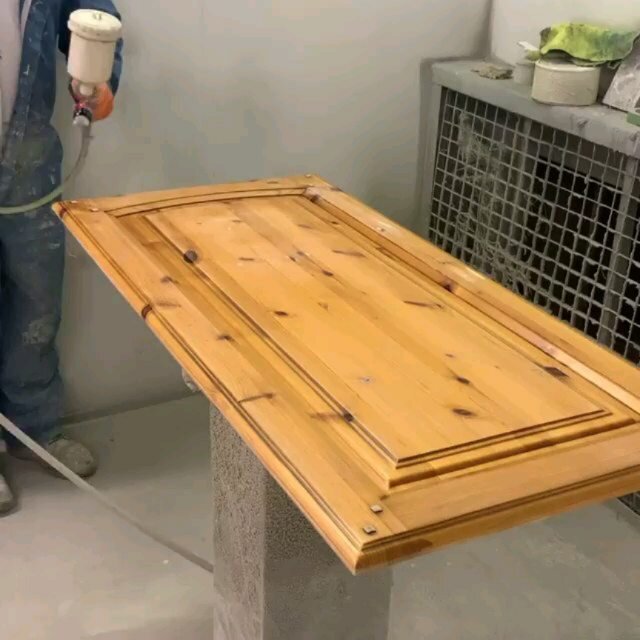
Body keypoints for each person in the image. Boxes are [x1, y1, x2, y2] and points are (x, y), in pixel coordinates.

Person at [0, 0, 123, 513]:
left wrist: (96, 81)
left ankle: (35, 430)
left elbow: (91, 10)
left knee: (37, 302)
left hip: (27, 159)